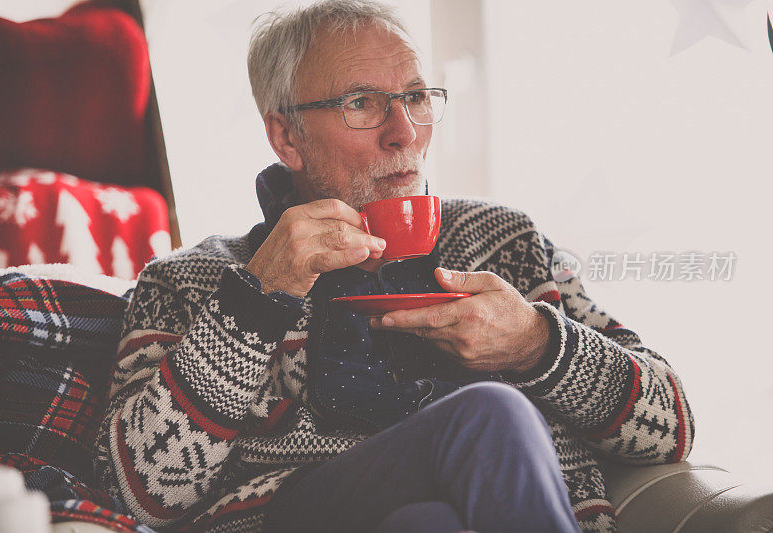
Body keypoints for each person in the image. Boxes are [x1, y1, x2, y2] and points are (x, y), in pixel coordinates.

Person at [93, 1, 695, 532]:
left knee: (424, 523)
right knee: (492, 413)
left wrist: (536, 344)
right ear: (287, 137)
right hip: (297, 513)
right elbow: (135, 493)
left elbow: (671, 424)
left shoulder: (507, 242)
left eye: (414, 96)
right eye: (361, 104)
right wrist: (258, 298)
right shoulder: (195, 281)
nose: (404, 132)